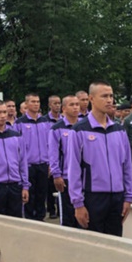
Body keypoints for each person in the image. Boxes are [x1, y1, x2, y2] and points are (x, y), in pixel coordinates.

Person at [66, 80, 132, 236]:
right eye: (104, 96)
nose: (109, 100)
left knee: (115, 241)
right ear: (91, 99)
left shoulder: (119, 130)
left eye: (111, 96)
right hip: (93, 197)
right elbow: (74, 168)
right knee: (93, 243)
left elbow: (127, 165)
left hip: (117, 197)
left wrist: (128, 197)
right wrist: (78, 203)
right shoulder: (79, 130)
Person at [14, 93, 51, 221]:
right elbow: (16, 145)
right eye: (33, 101)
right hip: (28, 164)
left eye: (38, 101)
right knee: (30, 193)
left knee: (42, 193)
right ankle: (30, 218)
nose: (36, 104)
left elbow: (50, 143)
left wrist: (50, 162)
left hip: (43, 163)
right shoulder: (19, 123)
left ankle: (41, 218)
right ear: (26, 104)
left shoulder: (45, 122)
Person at [49, 95, 81, 228]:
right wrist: (56, 174)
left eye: (77, 104)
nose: (75, 107)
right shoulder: (57, 128)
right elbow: (53, 153)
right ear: (64, 108)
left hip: (83, 176)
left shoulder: (84, 126)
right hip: (66, 177)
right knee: (68, 215)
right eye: (71, 105)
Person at [45, 96, 62, 219]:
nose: (57, 105)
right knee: (50, 187)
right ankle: (51, 210)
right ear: (49, 105)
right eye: (54, 103)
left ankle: (60, 209)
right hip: (49, 158)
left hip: (62, 159)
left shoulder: (64, 120)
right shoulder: (44, 121)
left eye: (59, 103)